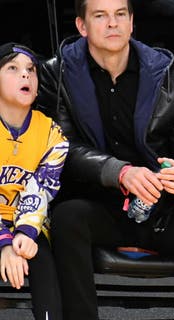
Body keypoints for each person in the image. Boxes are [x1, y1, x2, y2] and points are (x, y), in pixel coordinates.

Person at [35, 0, 174, 319]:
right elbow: (61, 148)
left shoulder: (171, 74)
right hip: (100, 206)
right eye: (100, 16)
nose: (112, 24)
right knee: (67, 217)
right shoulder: (56, 74)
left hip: (164, 209)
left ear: (131, 23)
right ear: (82, 27)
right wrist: (119, 172)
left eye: (119, 15)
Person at [0, 43, 67, 320]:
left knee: (40, 256)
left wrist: (23, 235)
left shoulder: (53, 133)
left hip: (27, 224)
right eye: (12, 69)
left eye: (31, 70)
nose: (25, 75)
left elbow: (40, 191)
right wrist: (3, 241)